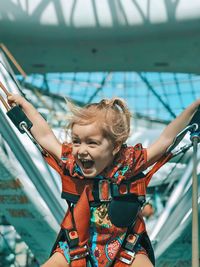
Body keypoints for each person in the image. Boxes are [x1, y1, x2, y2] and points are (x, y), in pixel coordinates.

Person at [7, 94, 200, 267]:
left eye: (92, 143)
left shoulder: (128, 162)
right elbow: (46, 136)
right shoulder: (72, 162)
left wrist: (193, 108)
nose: (82, 150)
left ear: (115, 146)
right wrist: (26, 106)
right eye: (76, 141)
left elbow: (166, 138)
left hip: (126, 248)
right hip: (77, 247)